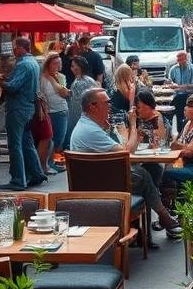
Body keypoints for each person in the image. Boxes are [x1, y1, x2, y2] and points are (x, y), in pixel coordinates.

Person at [68, 87, 183, 242]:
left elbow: (126, 150)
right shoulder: (90, 130)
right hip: (102, 184)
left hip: (99, 178)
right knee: (143, 175)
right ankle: (162, 217)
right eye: (106, 103)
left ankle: (146, 225)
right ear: (92, 107)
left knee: (151, 169)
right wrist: (133, 124)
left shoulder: (90, 125)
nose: (110, 105)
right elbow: (126, 153)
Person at [0, 37, 47, 191]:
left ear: (21, 48)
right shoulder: (33, 63)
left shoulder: (23, 64)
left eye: (15, 47)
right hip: (28, 108)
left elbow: (13, 87)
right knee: (27, 143)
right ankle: (36, 173)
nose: (13, 50)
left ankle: (18, 179)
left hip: (18, 108)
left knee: (15, 144)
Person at [161, 93, 193, 186]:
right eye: (186, 105)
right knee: (157, 168)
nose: (185, 108)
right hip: (182, 161)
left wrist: (174, 144)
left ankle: (173, 199)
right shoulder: (187, 123)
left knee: (163, 172)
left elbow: (189, 151)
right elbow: (177, 143)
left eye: (189, 106)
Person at [39, 52, 70, 175]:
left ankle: (51, 163)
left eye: (59, 63)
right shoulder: (42, 78)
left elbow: (65, 93)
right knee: (52, 139)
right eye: (55, 63)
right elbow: (41, 94)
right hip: (50, 112)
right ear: (48, 64)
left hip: (62, 110)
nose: (57, 65)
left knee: (58, 140)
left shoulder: (61, 77)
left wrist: (53, 80)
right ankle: (48, 164)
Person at [65, 55, 98, 148]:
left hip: (82, 118)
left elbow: (77, 106)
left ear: (78, 68)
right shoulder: (90, 80)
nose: (71, 68)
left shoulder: (78, 83)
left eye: (72, 66)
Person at [166, 50, 193, 132]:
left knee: (180, 109)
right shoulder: (174, 69)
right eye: (178, 60)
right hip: (176, 95)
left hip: (188, 96)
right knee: (168, 112)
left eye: (182, 59)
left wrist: (180, 87)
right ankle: (170, 132)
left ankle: (181, 131)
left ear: (186, 59)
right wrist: (170, 83)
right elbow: (170, 81)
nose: (180, 62)